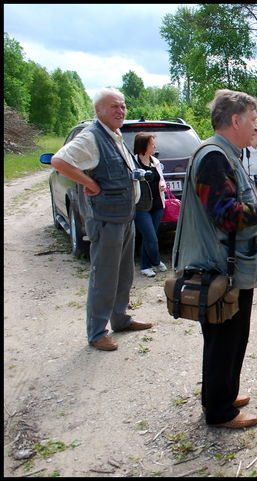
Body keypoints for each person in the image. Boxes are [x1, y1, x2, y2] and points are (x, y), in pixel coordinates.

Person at [172, 89, 257, 428]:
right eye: (253, 120)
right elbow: (225, 215)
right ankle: (220, 411)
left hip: (232, 264)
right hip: (219, 267)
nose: (256, 127)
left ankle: (222, 394)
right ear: (236, 120)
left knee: (231, 336)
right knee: (223, 337)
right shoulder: (214, 156)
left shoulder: (228, 154)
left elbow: (234, 199)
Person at [51, 88, 152, 352]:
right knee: (104, 276)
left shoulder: (115, 134)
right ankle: (97, 333)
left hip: (125, 215)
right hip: (106, 218)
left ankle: (120, 319)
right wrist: (89, 182)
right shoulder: (92, 137)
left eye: (122, 106)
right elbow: (59, 160)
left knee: (124, 273)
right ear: (99, 111)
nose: (120, 110)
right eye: (113, 107)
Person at [133, 132, 168, 277]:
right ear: (143, 146)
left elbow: (161, 179)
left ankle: (145, 266)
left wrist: (162, 184)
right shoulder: (132, 162)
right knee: (150, 237)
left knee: (150, 237)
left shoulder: (155, 161)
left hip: (157, 205)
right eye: (151, 144)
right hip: (141, 206)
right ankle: (156, 260)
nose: (154, 146)